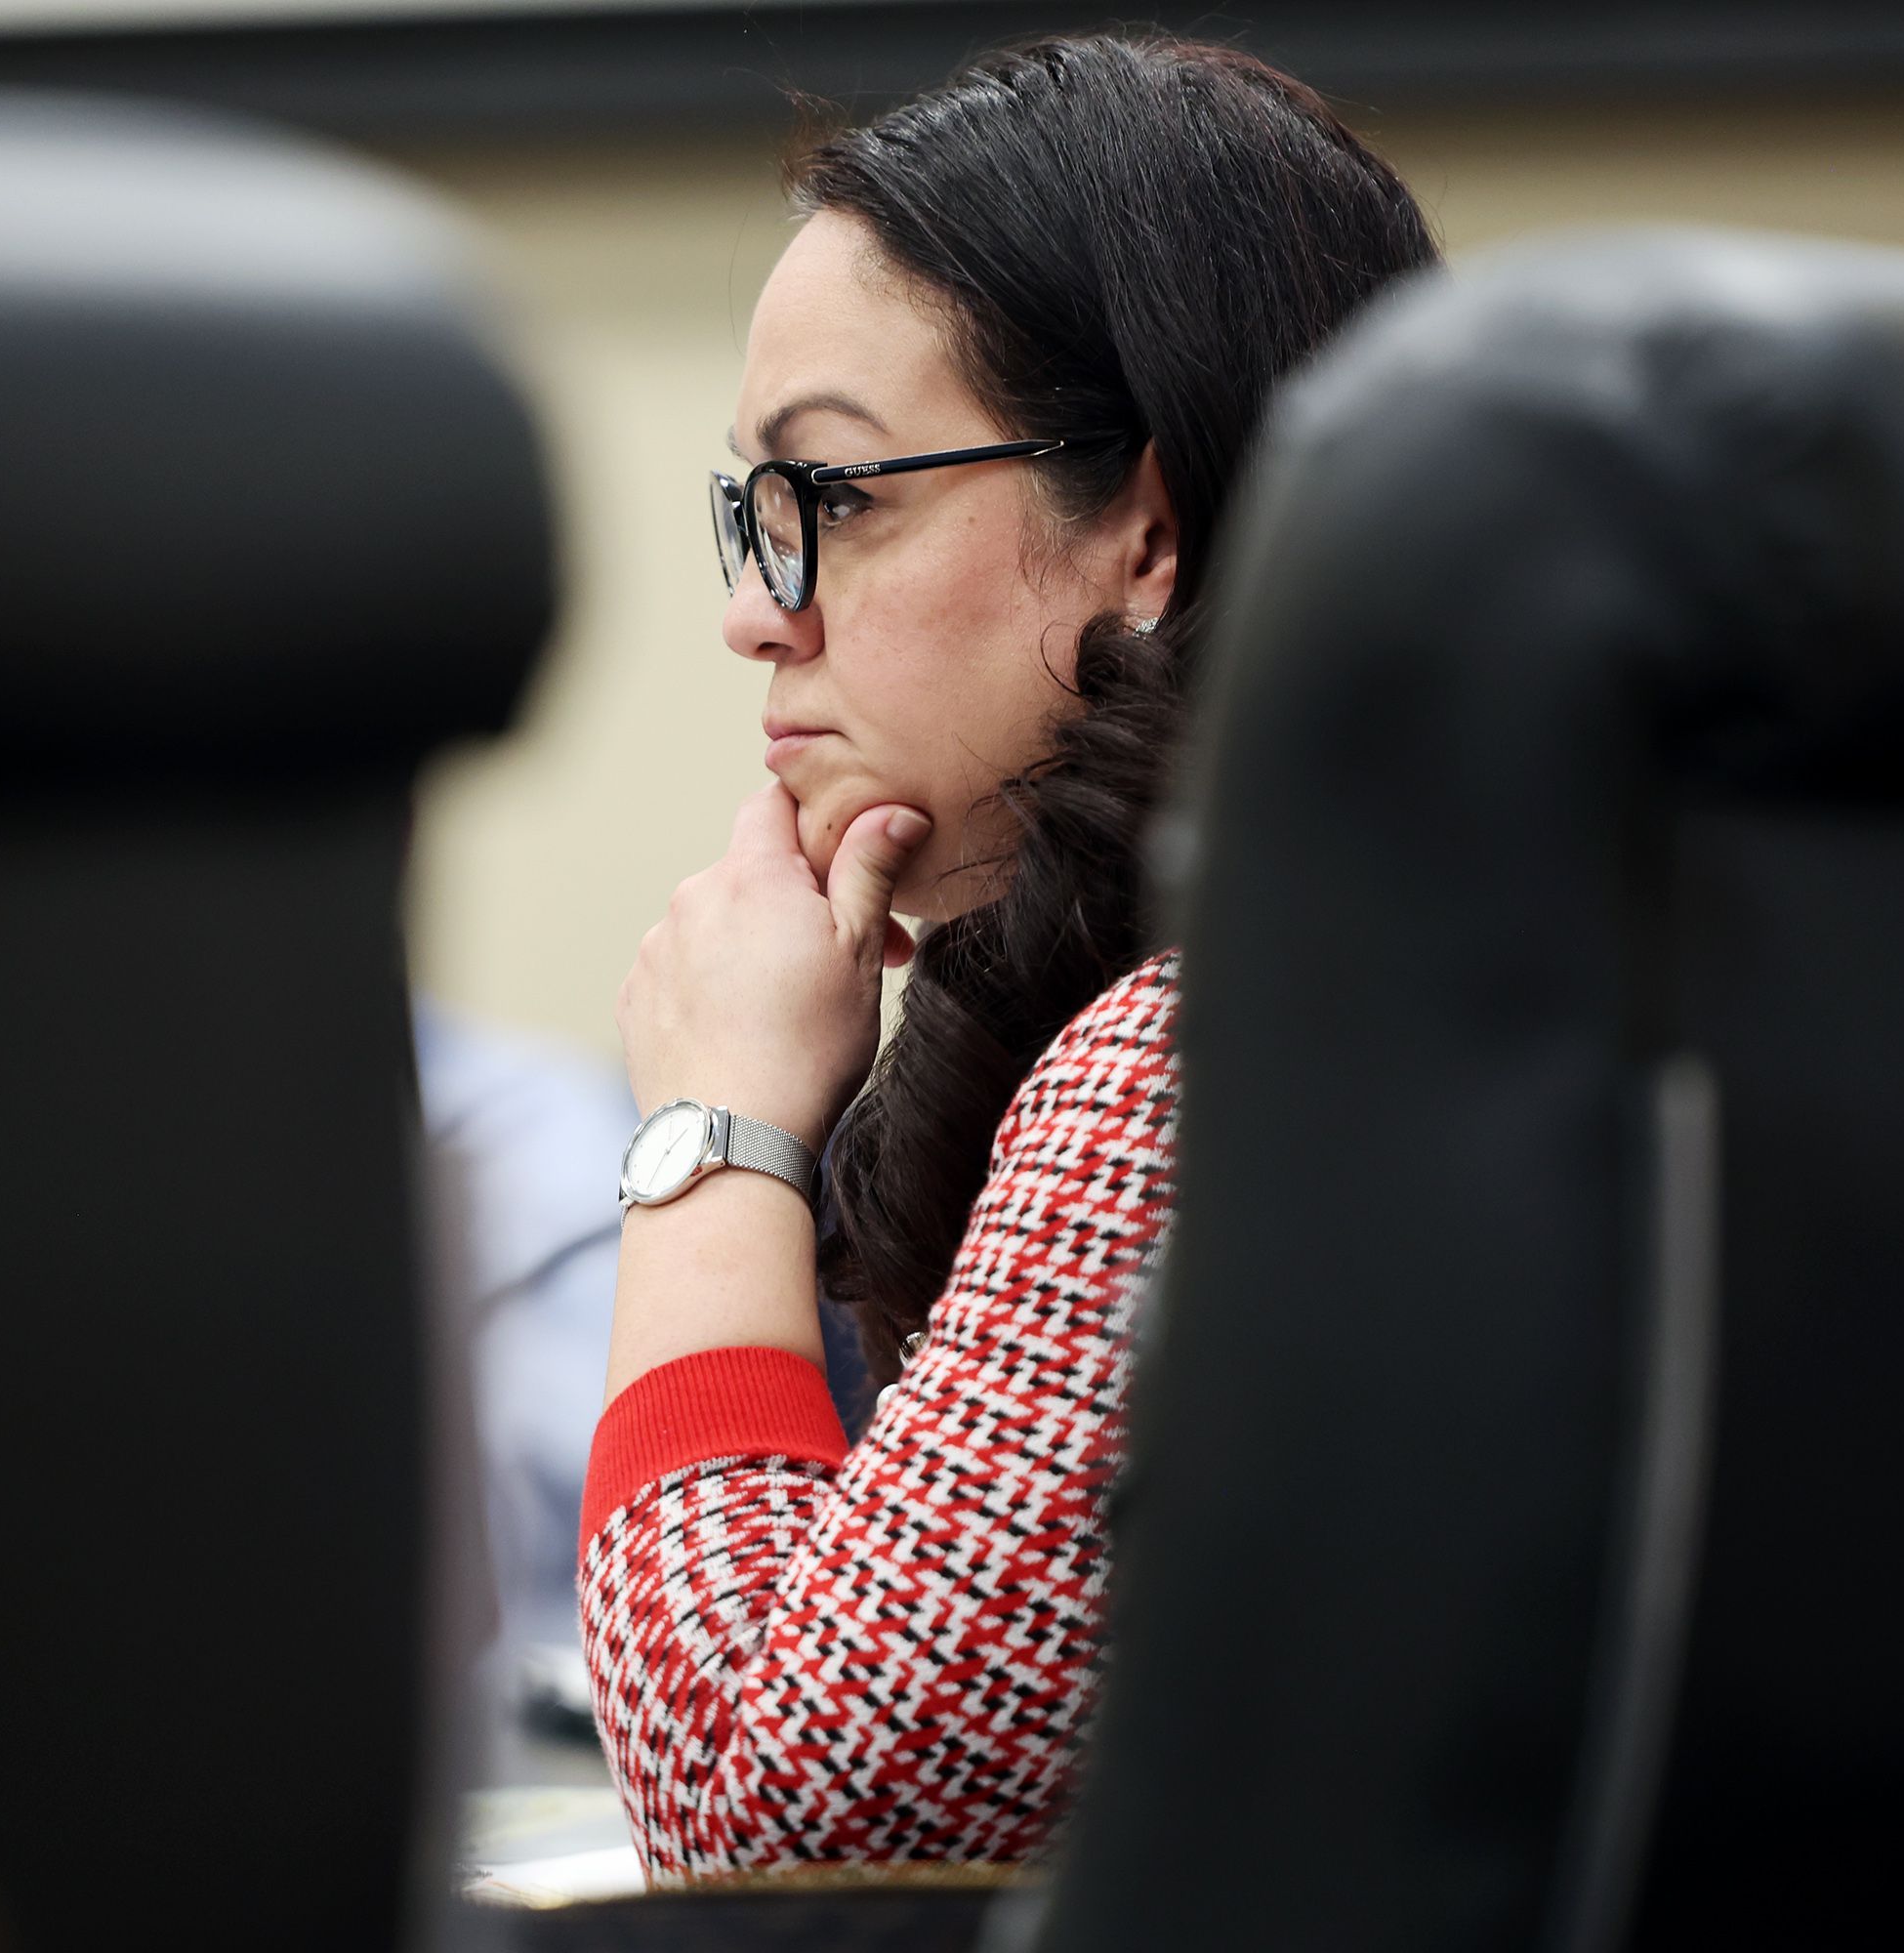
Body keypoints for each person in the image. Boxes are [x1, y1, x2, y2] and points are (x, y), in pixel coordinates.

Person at [582, 32, 1438, 1881]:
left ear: (1145, 531)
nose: (756, 612)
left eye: (841, 497)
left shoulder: (1199, 1063)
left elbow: (775, 1831)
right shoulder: (1390, 972)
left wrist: (714, 1140)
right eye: (756, 507)